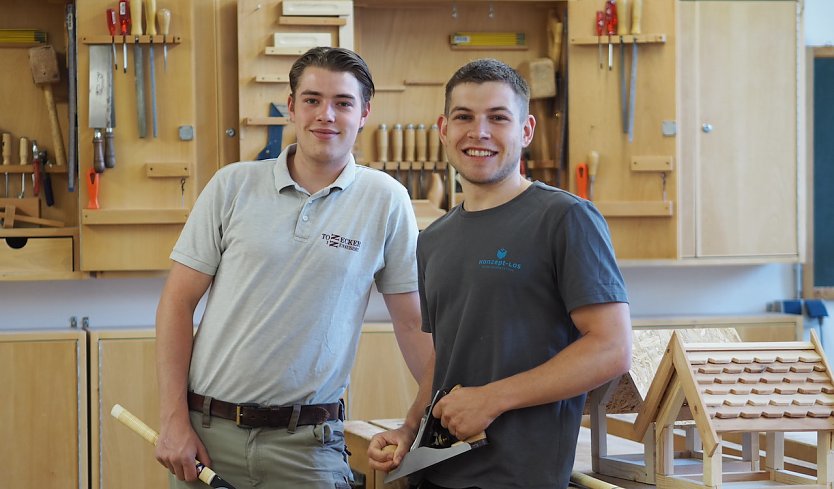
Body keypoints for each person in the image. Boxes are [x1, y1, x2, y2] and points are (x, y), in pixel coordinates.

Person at [154, 46, 432, 489]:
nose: (326, 114)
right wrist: (173, 420)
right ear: (291, 107)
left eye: (343, 103)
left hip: (308, 448)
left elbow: (414, 323)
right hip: (208, 436)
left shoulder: (385, 200)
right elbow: (176, 302)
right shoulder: (232, 185)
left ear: (364, 113)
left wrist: (430, 413)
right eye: (312, 100)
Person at [367, 58, 633, 489]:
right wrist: (408, 429)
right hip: (435, 474)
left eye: (498, 118)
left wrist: (493, 399)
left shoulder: (566, 219)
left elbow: (612, 348)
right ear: (443, 129)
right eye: (464, 117)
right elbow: (445, 353)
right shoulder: (433, 239)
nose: (479, 132)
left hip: (520, 478)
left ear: (525, 131)